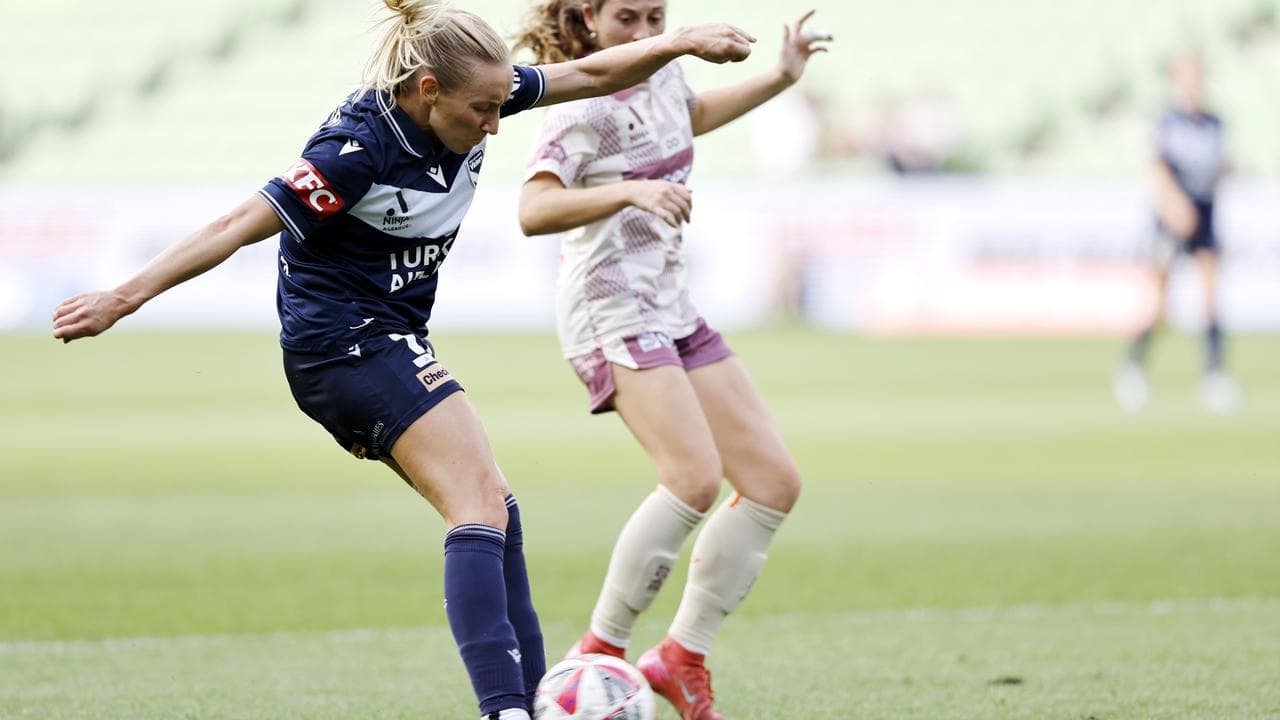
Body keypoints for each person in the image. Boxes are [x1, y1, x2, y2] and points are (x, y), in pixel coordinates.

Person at [50, 2, 756, 718]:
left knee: (496, 509)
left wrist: (680, 42)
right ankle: (506, 711)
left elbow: (596, 73)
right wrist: (123, 298)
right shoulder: (355, 150)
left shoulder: (484, 89)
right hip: (341, 345)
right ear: (426, 91)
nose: (494, 124)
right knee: (478, 503)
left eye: (500, 105)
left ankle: (532, 700)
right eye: (481, 110)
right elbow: (236, 224)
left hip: (388, 335)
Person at [515, 3, 826, 718]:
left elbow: (692, 115)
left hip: (670, 302)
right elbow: (533, 210)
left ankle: (683, 656)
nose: (644, 33)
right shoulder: (579, 103)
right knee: (691, 479)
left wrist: (780, 77)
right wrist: (628, 190)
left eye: (655, 17)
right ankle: (598, 651)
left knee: (772, 483)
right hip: (609, 306)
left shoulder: (663, 72)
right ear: (587, 19)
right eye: (626, 18)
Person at [1114, 49, 1240, 415]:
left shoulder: (1215, 123)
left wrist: (1229, 173)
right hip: (1172, 218)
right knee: (1160, 302)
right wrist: (1174, 204)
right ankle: (1133, 367)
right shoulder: (1167, 122)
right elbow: (1157, 167)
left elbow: (1220, 166)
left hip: (1205, 213)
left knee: (1211, 297)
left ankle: (1215, 375)